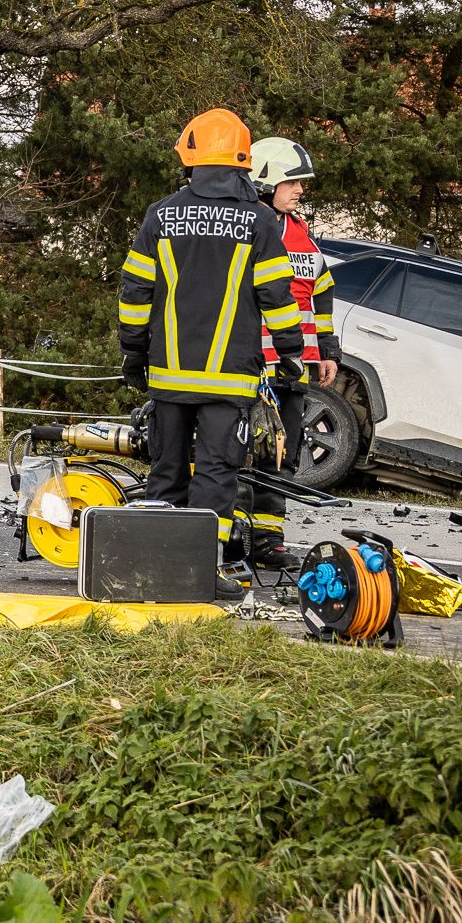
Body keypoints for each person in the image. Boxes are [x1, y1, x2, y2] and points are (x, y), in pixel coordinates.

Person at [116, 109, 306, 599]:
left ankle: (155, 571)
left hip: (169, 377)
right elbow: (277, 298)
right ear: (244, 164)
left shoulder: (160, 216)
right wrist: (290, 354)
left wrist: (133, 356)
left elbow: (135, 292)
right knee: (217, 476)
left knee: (166, 473)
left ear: (191, 160)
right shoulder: (261, 221)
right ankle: (202, 573)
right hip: (229, 381)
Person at [242, 136, 342, 567]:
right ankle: (230, 539)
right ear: (264, 181)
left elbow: (320, 292)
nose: (300, 190)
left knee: (283, 455)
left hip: (293, 367)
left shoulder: (300, 231)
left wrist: (327, 350)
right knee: (243, 453)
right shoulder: (251, 225)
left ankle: (268, 542)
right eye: (292, 182)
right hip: (253, 366)